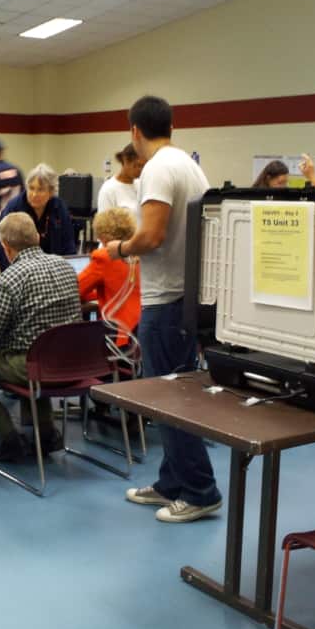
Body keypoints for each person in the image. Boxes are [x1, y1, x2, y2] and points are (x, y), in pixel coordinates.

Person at [105, 95, 222, 524]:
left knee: (170, 400)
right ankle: (171, 482)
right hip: (186, 297)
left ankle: (200, 489)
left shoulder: (155, 168)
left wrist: (119, 248)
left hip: (165, 300)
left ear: (135, 130)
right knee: (171, 396)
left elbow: (151, 237)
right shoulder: (190, 166)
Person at [0, 213, 81, 461]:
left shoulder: (10, 278)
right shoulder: (65, 265)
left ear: (6, 246)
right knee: (39, 350)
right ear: (37, 237)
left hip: (28, 365)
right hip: (69, 361)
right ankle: (47, 434)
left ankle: (7, 438)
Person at [78, 207, 141, 348]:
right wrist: (99, 292)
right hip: (140, 329)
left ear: (103, 235)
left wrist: (93, 294)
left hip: (119, 335)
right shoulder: (139, 254)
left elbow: (75, 290)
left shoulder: (104, 257)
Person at [2, 163, 77, 256]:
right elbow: (5, 245)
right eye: (31, 188)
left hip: (54, 264)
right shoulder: (14, 208)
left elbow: (68, 244)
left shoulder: (59, 207)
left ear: (51, 191)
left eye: (40, 189)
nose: (34, 194)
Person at [97, 142, 145, 218]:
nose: (141, 170)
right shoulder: (108, 190)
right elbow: (104, 227)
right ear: (125, 160)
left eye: (143, 166)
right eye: (138, 165)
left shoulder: (140, 185)